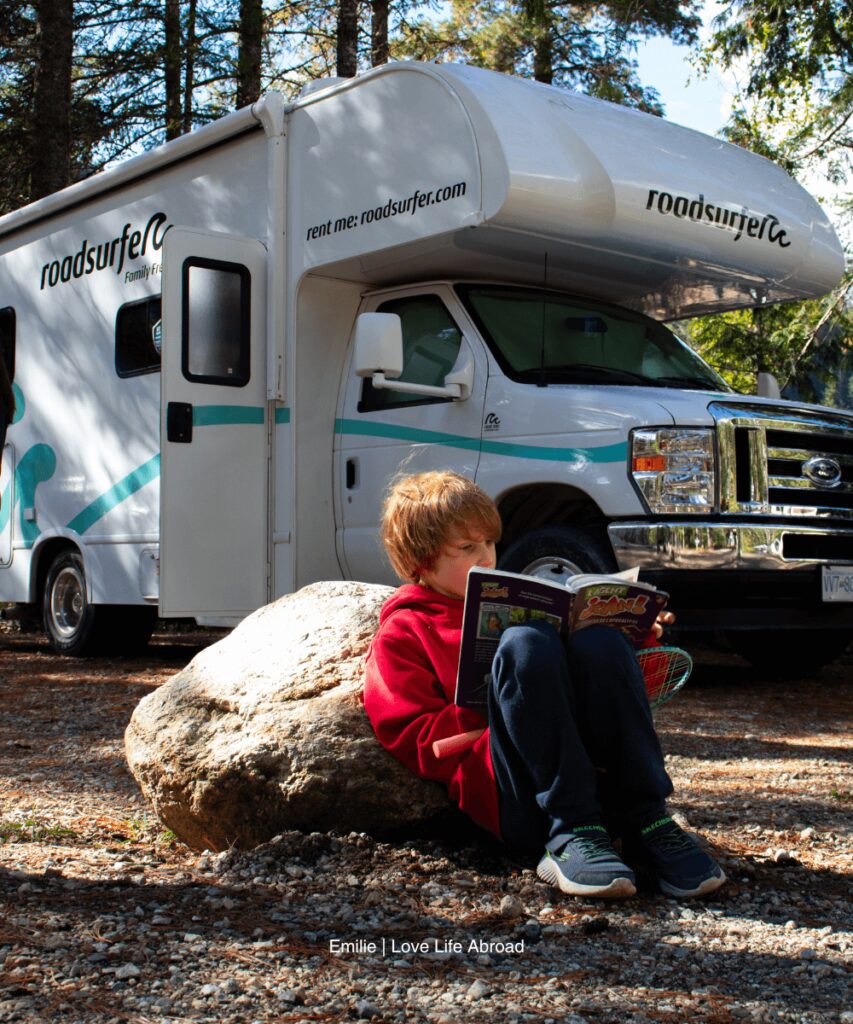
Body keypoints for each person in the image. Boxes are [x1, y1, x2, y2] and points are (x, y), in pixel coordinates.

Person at [362, 470, 725, 900]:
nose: (485, 558)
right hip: (522, 798)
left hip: (601, 775)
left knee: (599, 640)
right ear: (421, 559)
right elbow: (413, 738)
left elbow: (624, 697)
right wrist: (495, 704)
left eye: (489, 543)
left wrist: (639, 633)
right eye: (466, 548)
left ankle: (648, 820)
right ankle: (572, 833)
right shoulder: (405, 631)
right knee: (525, 643)